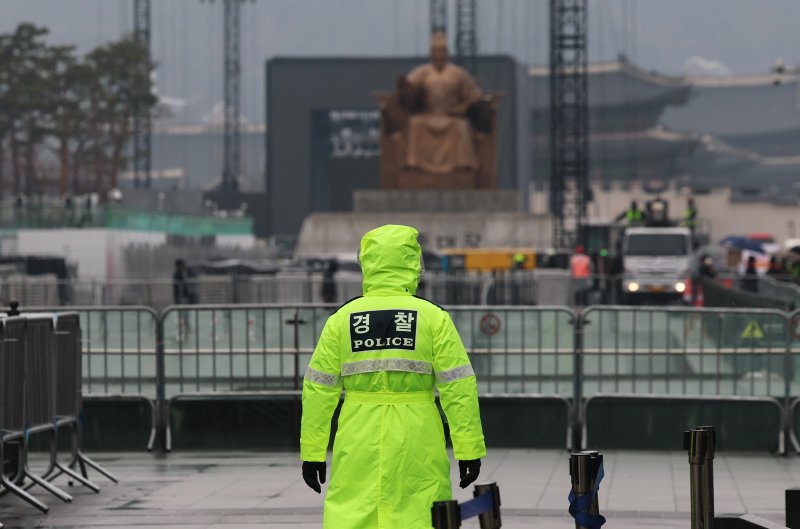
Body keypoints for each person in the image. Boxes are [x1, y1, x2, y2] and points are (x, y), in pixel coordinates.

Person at [300, 224, 485, 529]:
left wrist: (313, 453)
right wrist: (469, 449)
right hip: (418, 433)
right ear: (413, 263)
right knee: (421, 511)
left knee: (354, 510)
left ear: (367, 263)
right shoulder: (433, 318)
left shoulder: (342, 320)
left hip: (358, 432)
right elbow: (458, 387)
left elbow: (319, 389)